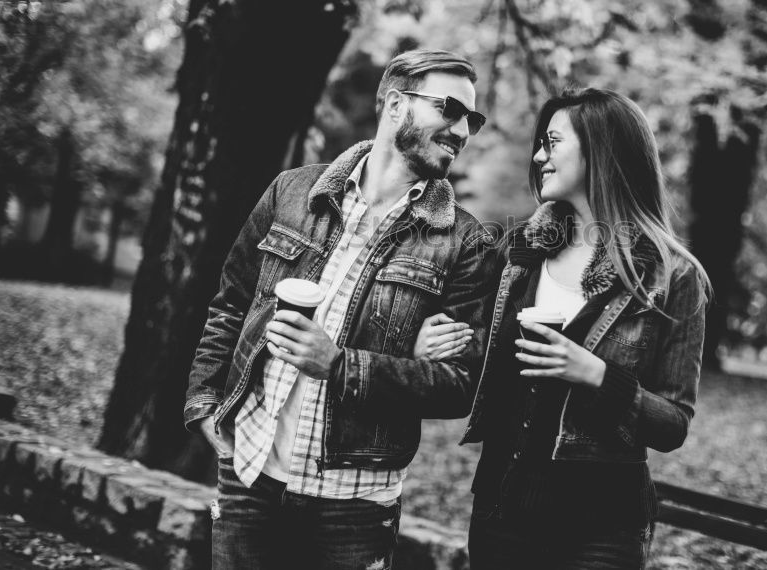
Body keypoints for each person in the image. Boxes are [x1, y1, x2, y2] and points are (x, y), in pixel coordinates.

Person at [184, 49, 498, 570]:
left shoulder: (465, 242)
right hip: (248, 475)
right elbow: (232, 302)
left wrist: (340, 364)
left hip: (353, 505)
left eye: (472, 118)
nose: (462, 129)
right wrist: (202, 399)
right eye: (449, 108)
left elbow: (459, 386)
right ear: (396, 104)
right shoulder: (291, 192)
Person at [416, 87, 711, 569]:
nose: (539, 156)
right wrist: (431, 341)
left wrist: (597, 375)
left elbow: (673, 425)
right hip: (502, 507)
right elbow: (469, 354)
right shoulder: (516, 256)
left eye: (552, 142)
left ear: (601, 149)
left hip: (603, 525)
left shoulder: (673, 276)